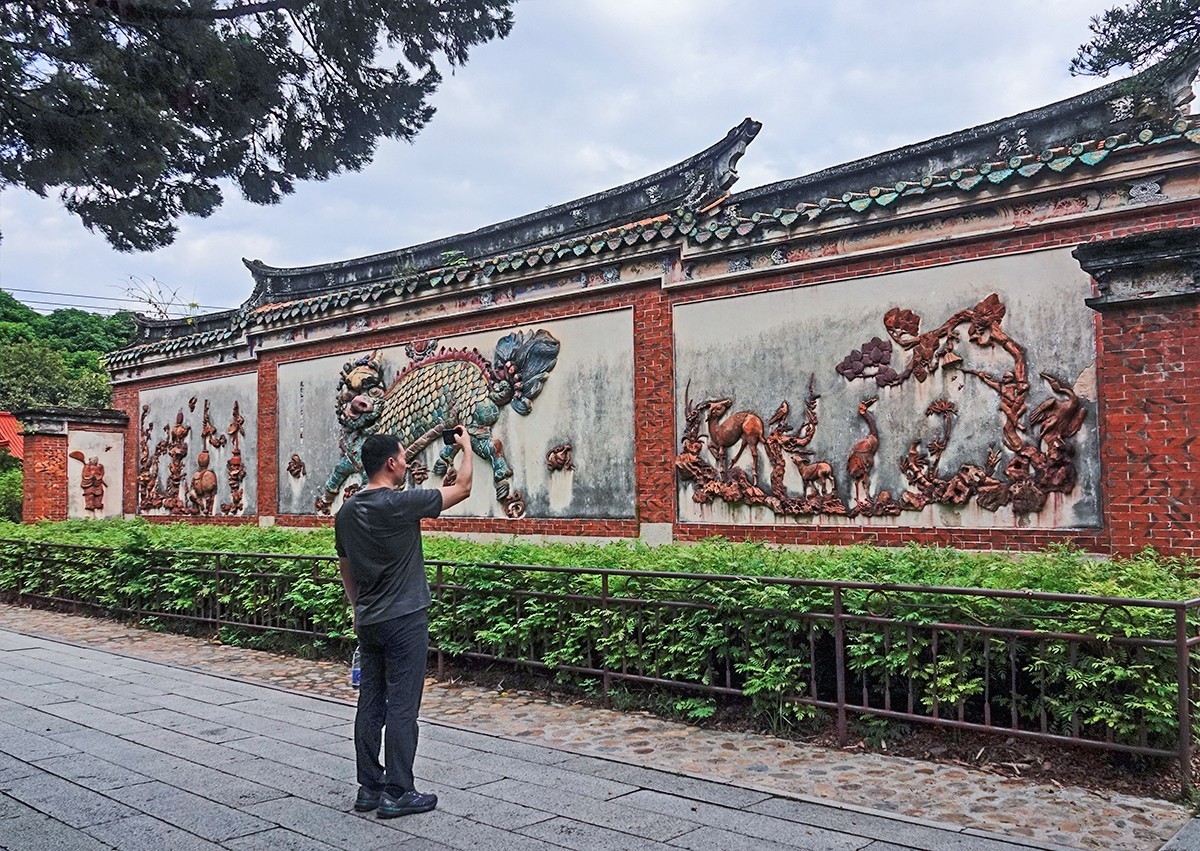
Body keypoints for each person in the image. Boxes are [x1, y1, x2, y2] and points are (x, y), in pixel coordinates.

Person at [335, 427, 473, 818]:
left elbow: (346, 570)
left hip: (369, 619)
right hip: (405, 617)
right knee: (402, 706)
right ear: (392, 463)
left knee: (370, 702)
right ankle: (398, 791)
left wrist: (360, 608)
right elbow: (462, 488)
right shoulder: (398, 503)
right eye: (403, 457)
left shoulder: (345, 512)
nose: (407, 463)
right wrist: (465, 447)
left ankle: (368, 788)